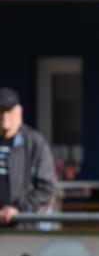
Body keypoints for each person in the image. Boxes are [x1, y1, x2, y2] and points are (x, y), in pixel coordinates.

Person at [0, 88, 56, 226]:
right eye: (1, 111)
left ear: (19, 111)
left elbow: (46, 187)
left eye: (9, 110)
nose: (4, 116)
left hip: (23, 227)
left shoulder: (35, 143)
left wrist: (18, 209)